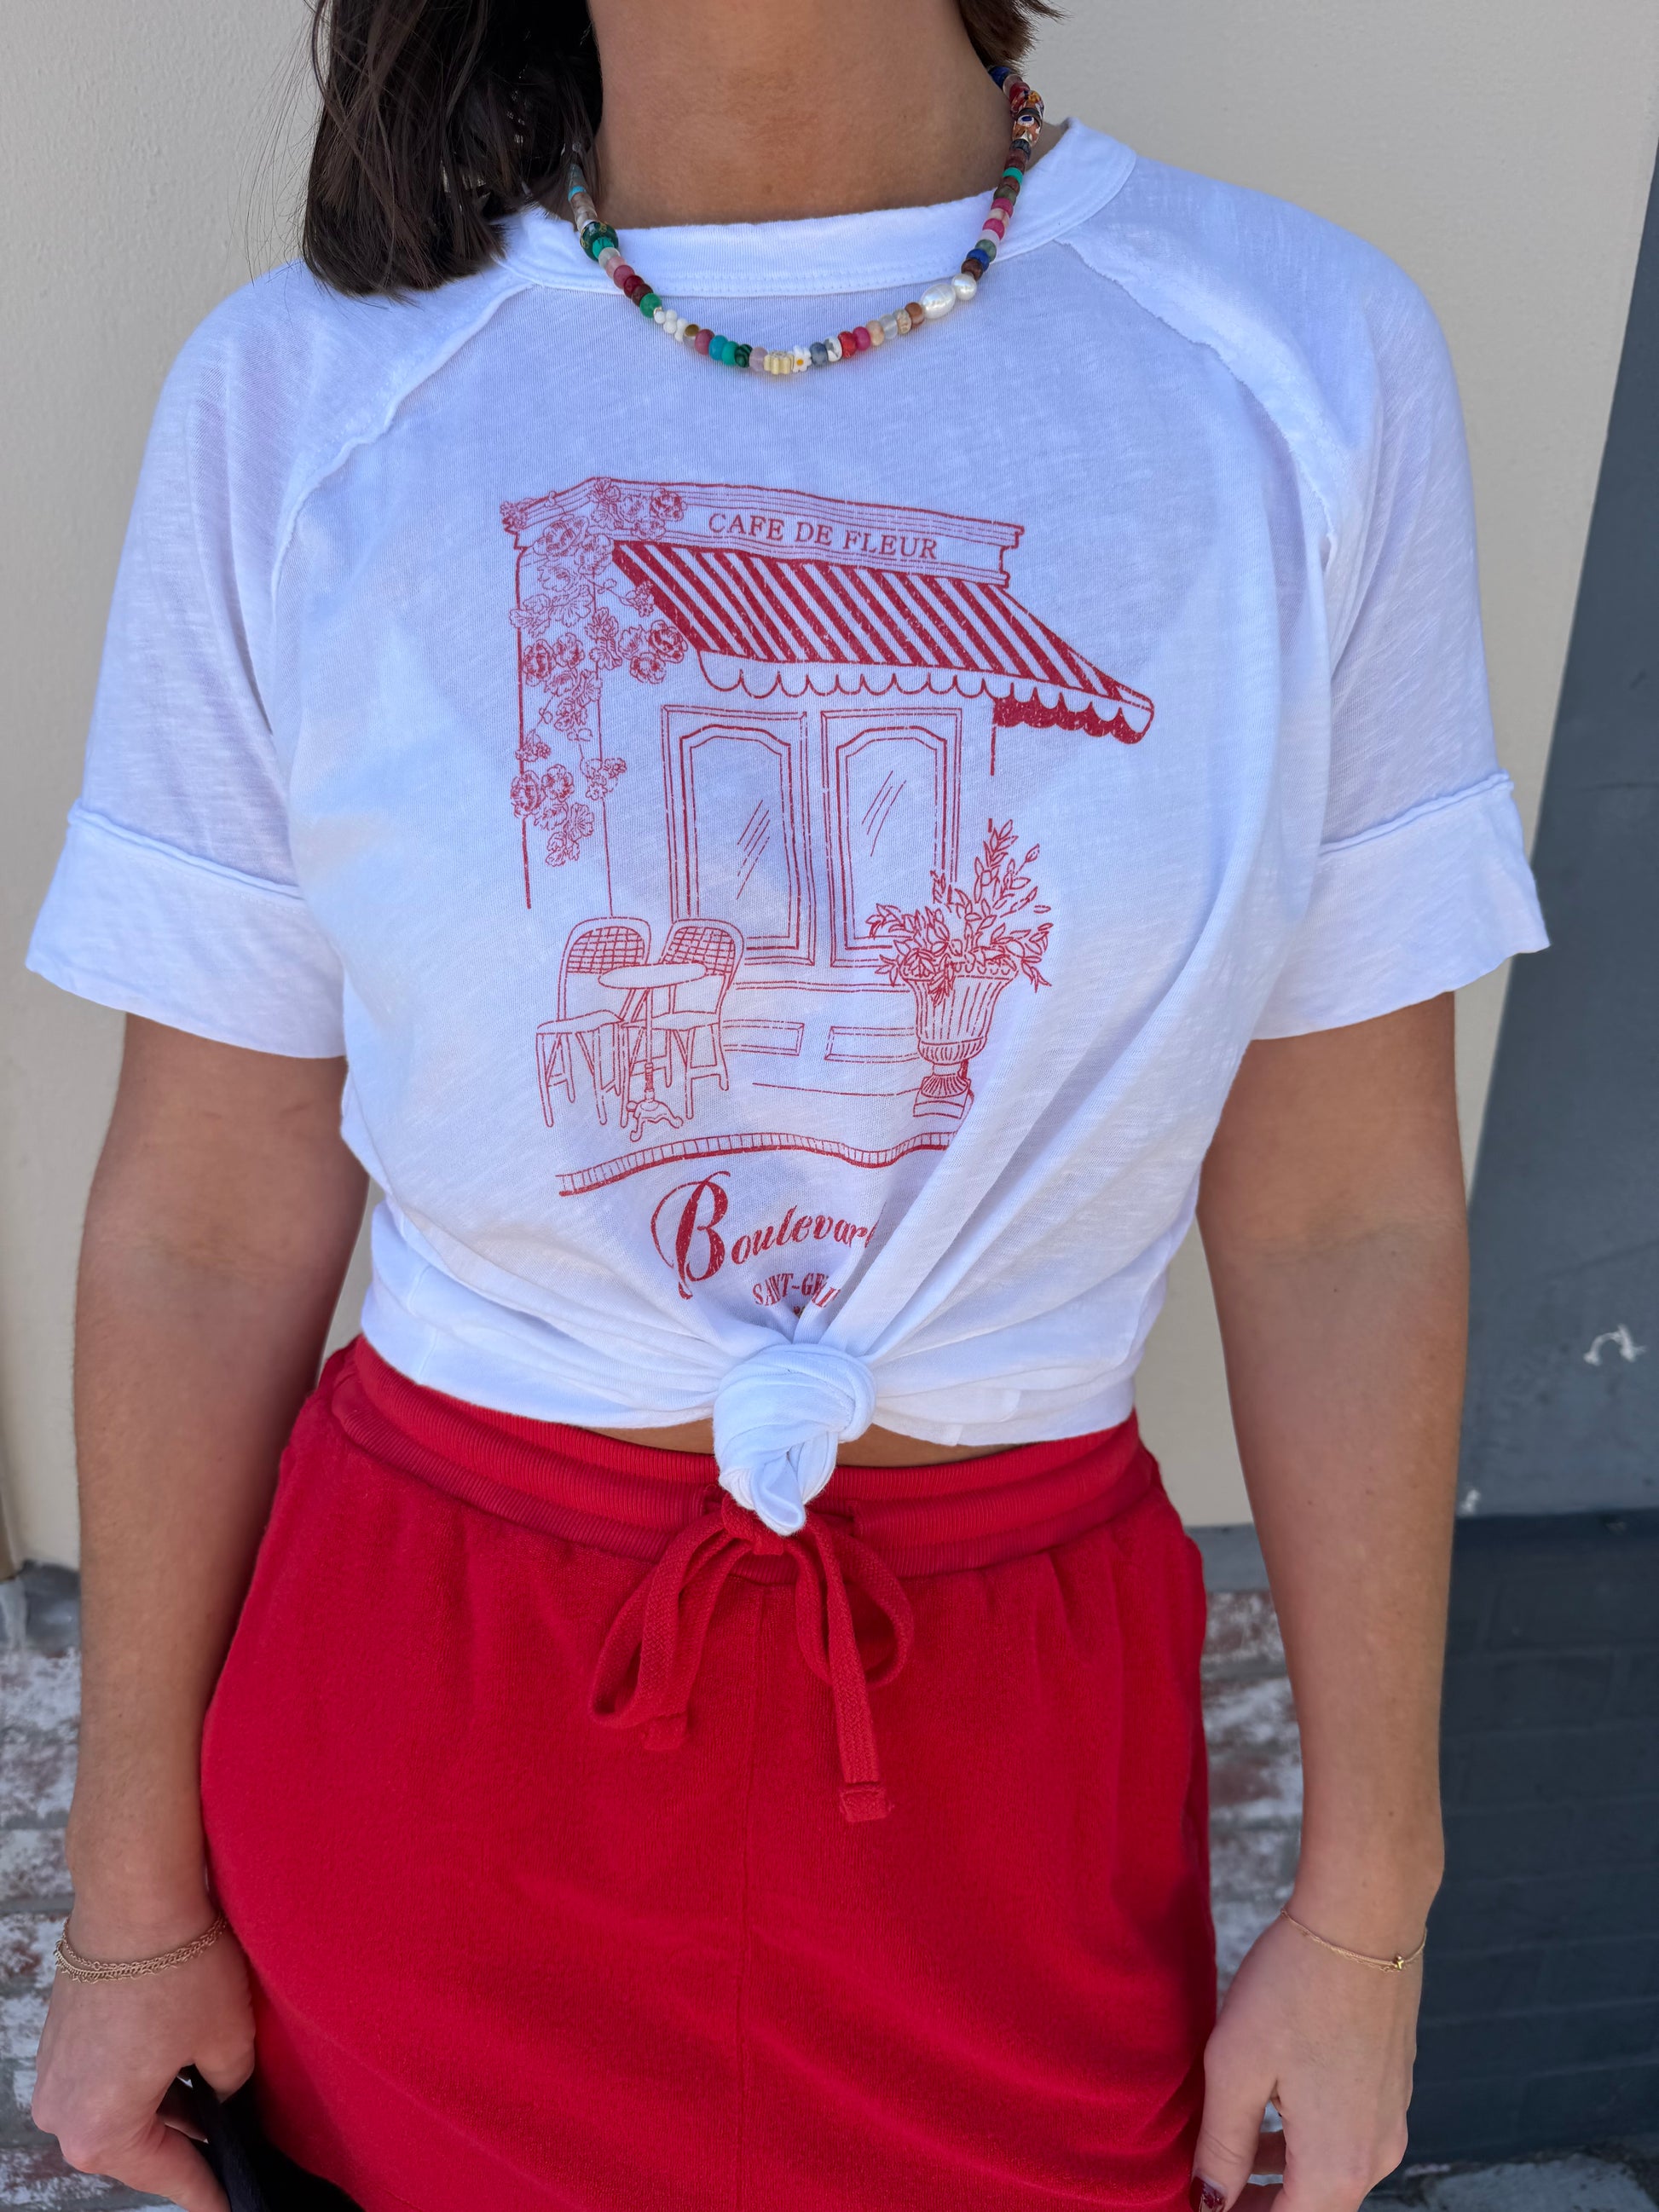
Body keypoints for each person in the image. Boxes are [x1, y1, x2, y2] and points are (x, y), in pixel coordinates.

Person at [24, 0, 1548, 2205]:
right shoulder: (306, 396)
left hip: (1008, 1767)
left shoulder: (1293, 361)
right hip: (439, 1731)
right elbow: (202, 1216)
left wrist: (1370, 1902)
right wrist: (130, 1908)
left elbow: (1347, 1214)